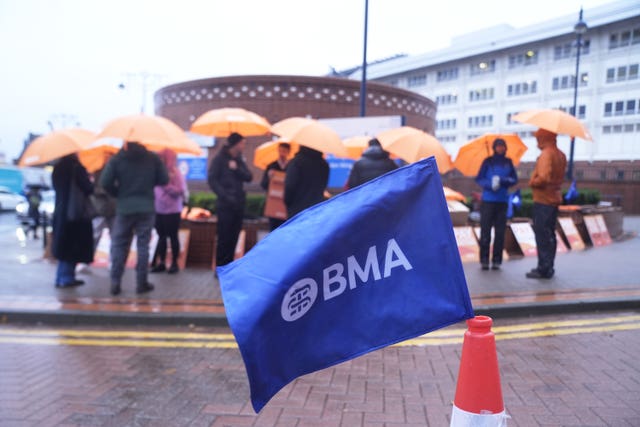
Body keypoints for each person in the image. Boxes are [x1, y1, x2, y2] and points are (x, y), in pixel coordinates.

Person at [100, 141, 169, 295]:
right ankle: (141, 283)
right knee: (143, 245)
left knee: (119, 244)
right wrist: (150, 182)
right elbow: (164, 179)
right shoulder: (152, 158)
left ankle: (115, 282)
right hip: (146, 207)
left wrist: (118, 193)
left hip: (124, 208)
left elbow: (105, 182)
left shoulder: (118, 158)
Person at [526, 128, 567, 279]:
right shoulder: (561, 155)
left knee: (542, 234)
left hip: (543, 200)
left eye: (538, 137)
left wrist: (532, 181)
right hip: (554, 199)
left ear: (544, 138)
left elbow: (543, 178)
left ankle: (543, 268)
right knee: (550, 234)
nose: (537, 140)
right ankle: (549, 266)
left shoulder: (546, 155)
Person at [207, 132, 253, 268]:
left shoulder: (239, 159)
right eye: (242, 143)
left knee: (234, 237)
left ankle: (230, 266)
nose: (244, 145)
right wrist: (224, 196)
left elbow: (249, 177)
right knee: (224, 237)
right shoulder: (219, 159)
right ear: (236, 144)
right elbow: (212, 180)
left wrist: (237, 168)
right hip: (225, 205)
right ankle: (221, 267)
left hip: (238, 204)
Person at [475, 138, 518, 271]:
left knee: (500, 232)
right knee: (485, 230)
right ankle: (484, 259)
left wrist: (503, 181)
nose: (500, 149)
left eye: (502, 146)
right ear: (494, 148)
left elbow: (514, 179)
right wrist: (489, 185)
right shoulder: (488, 162)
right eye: (498, 146)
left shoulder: (508, 162)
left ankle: (497, 260)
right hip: (488, 200)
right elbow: (479, 178)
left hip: (502, 201)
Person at [51, 154, 94, 288]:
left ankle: (61, 277)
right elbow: (88, 188)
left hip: (61, 211)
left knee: (64, 246)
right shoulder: (76, 168)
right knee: (72, 246)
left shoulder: (57, 168)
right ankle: (66, 278)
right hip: (75, 213)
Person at [151, 149, 188, 274]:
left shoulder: (175, 173)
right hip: (158, 209)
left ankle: (174, 264)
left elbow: (180, 190)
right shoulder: (156, 172)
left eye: (162, 158)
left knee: (172, 237)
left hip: (172, 210)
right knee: (161, 237)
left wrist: (166, 186)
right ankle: (161, 262)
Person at [284, 145, 329, 218]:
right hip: (316, 209)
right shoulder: (324, 165)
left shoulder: (296, 162)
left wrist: (288, 203)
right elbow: (323, 186)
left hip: (297, 210)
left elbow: (289, 186)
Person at [260, 142, 291, 230]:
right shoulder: (271, 166)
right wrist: (269, 178)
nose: (282, 154)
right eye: (280, 151)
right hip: (273, 204)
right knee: (273, 229)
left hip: (285, 205)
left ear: (288, 152)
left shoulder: (291, 167)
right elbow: (263, 184)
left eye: (284, 151)